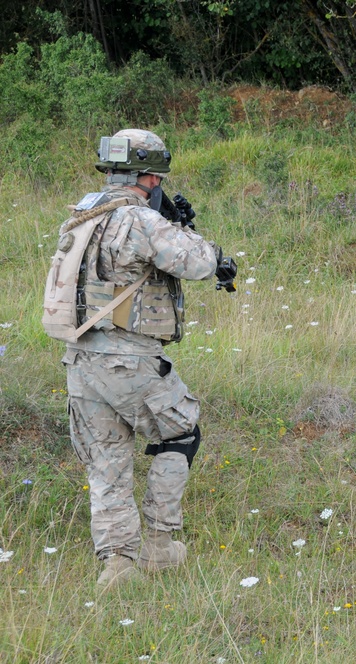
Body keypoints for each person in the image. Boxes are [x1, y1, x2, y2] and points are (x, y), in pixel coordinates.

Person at [61, 129, 224, 591]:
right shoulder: (138, 220)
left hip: (80, 359)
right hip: (128, 359)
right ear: (149, 177)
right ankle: (159, 545)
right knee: (181, 434)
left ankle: (117, 566)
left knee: (107, 463)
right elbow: (197, 264)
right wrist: (189, 233)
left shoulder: (80, 215)